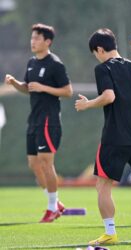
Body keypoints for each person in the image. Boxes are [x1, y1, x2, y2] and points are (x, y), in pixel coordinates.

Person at [75, 28, 131, 245]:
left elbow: (108, 96)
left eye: (95, 52)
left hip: (114, 136)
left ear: (99, 49)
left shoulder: (102, 68)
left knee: (103, 185)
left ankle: (110, 233)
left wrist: (88, 104)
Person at [4, 23, 73, 223]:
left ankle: (52, 208)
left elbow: (68, 91)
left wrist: (44, 87)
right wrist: (16, 84)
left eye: (37, 38)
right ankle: (56, 203)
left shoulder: (55, 64)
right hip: (33, 119)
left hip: (48, 120)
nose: (33, 41)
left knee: (46, 162)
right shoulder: (32, 62)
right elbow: (29, 88)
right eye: (32, 38)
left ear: (48, 42)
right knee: (34, 164)